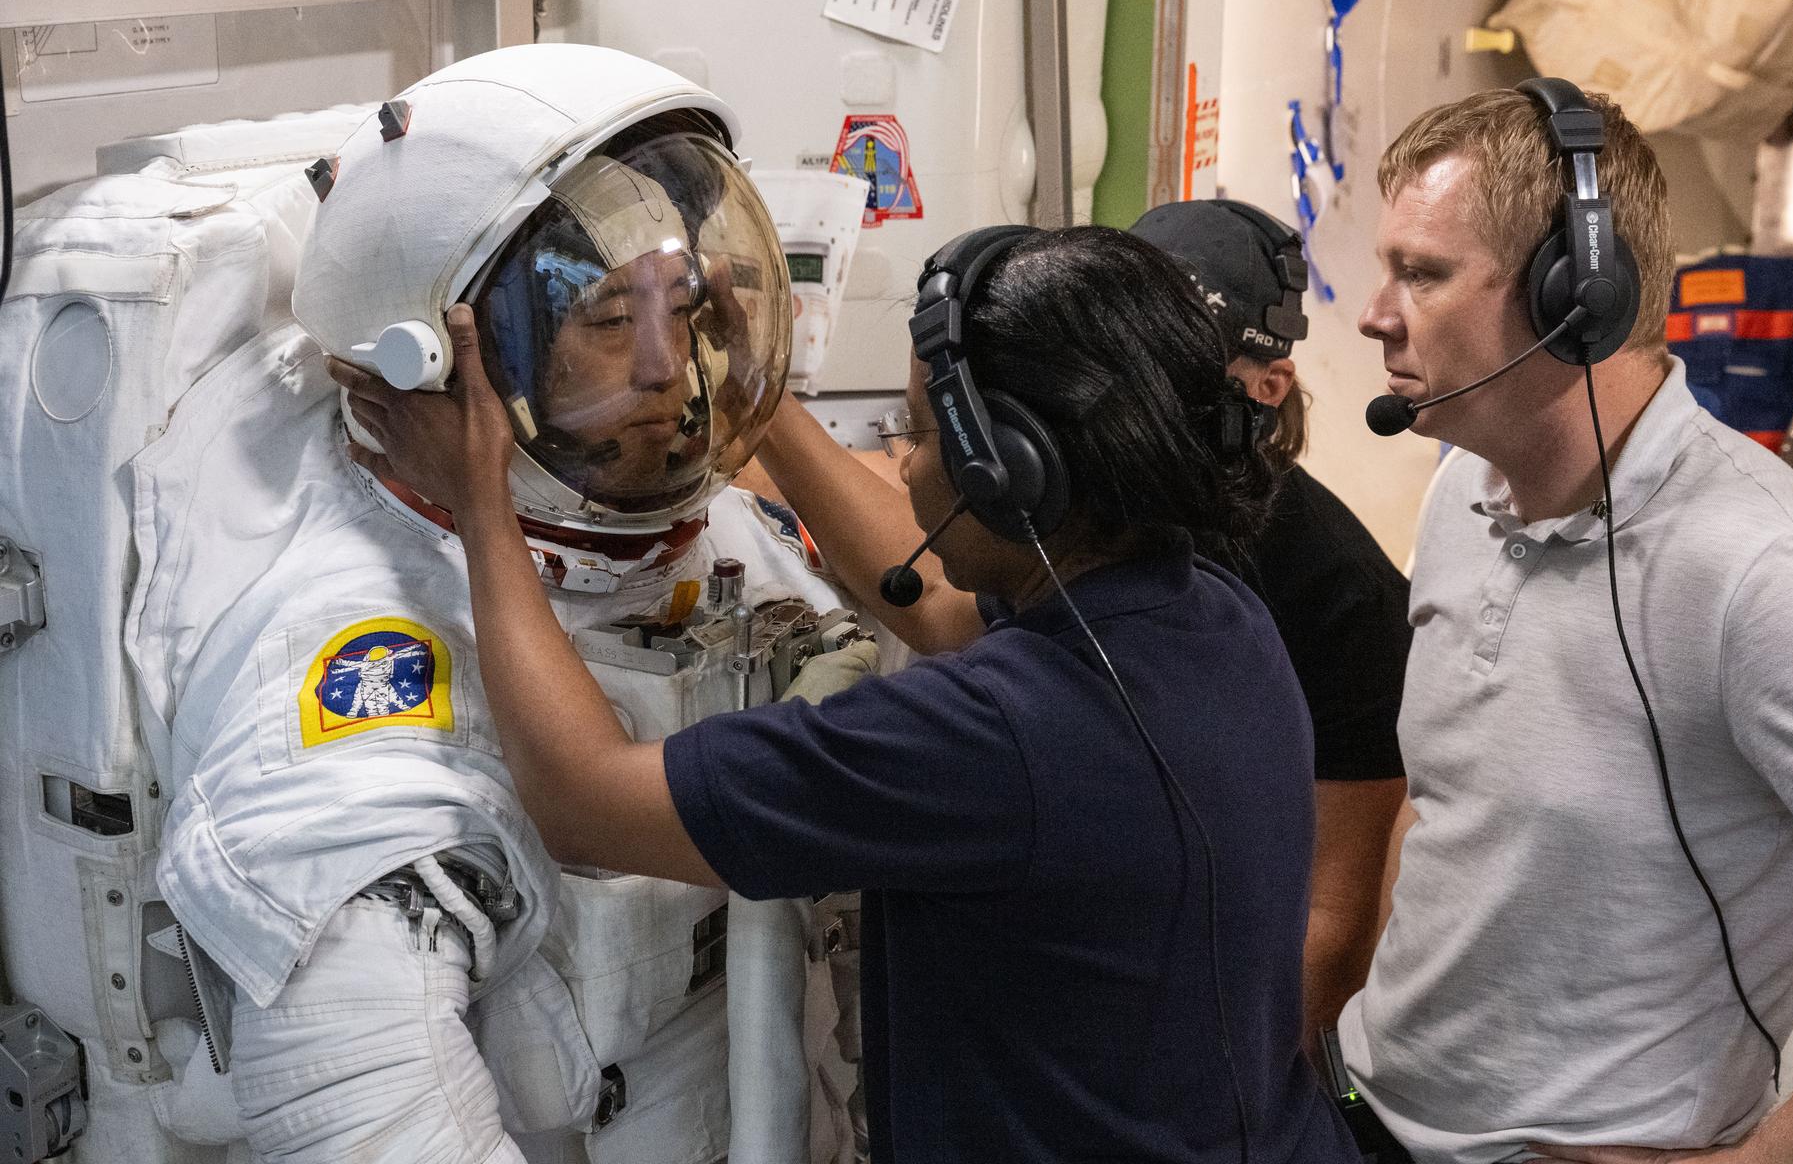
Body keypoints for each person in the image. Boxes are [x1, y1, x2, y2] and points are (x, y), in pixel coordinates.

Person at [334, 222, 1364, 1163]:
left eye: (916, 434)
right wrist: (756, 403)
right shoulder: (1207, 610)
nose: (903, 465)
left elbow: (582, 798)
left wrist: (480, 502)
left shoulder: (994, 737)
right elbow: (935, 611)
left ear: (1013, 474)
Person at [136, 44, 860, 1163]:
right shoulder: (361, 676)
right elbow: (364, 1117)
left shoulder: (720, 528)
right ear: (438, 363)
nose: (670, 369)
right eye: (609, 322)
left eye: (683, 310)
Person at [1340, 81, 1793, 1164]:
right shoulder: (1462, 483)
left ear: (1577, 297)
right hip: (1368, 1114)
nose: (1373, 312)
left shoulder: (1764, 571)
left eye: (1420, 273)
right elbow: (1444, 806)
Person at [745, 196, 1411, 1033]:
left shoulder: (1335, 594)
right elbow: (942, 589)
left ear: (1267, 390)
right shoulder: (1093, 527)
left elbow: (1328, 931)